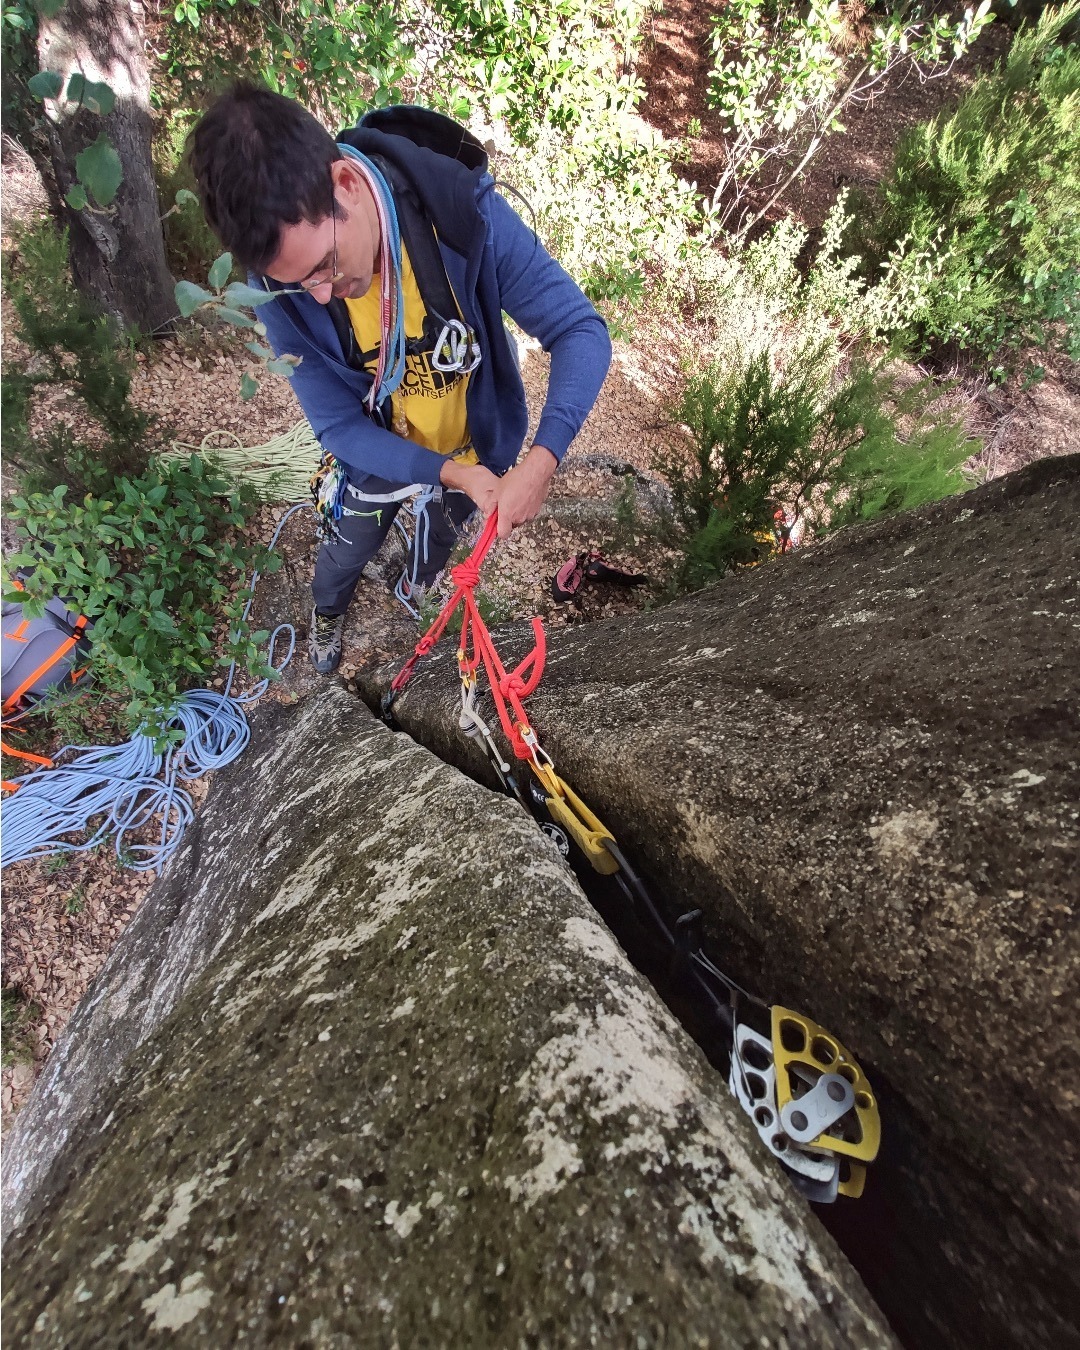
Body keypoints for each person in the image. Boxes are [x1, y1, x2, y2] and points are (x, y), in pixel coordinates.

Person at [189, 84, 611, 673]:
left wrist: (540, 463)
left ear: (345, 184)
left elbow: (579, 330)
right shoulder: (277, 290)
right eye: (297, 282)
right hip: (379, 453)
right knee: (346, 549)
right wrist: (447, 472)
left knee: (439, 539)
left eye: (324, 266)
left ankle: (413, 584)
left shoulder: (459, 213)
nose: (319, 295)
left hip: (474, 447)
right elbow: (338, 426)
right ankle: (328, 610)